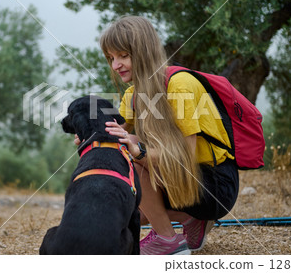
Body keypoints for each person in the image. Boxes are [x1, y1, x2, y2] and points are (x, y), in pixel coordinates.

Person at [93, 15, 239, 255]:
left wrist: (138, 151)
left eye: (123, 56)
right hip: (180, 182)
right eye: (111, 58)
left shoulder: (179, 84)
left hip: (214, 184)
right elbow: (115, 130)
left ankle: (167, 239)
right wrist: (92, 137)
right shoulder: (133, 95)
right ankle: (190, 220)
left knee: (130, 159)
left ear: (143, 51)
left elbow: (185, 157)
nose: (115, 65)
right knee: (126, 210)